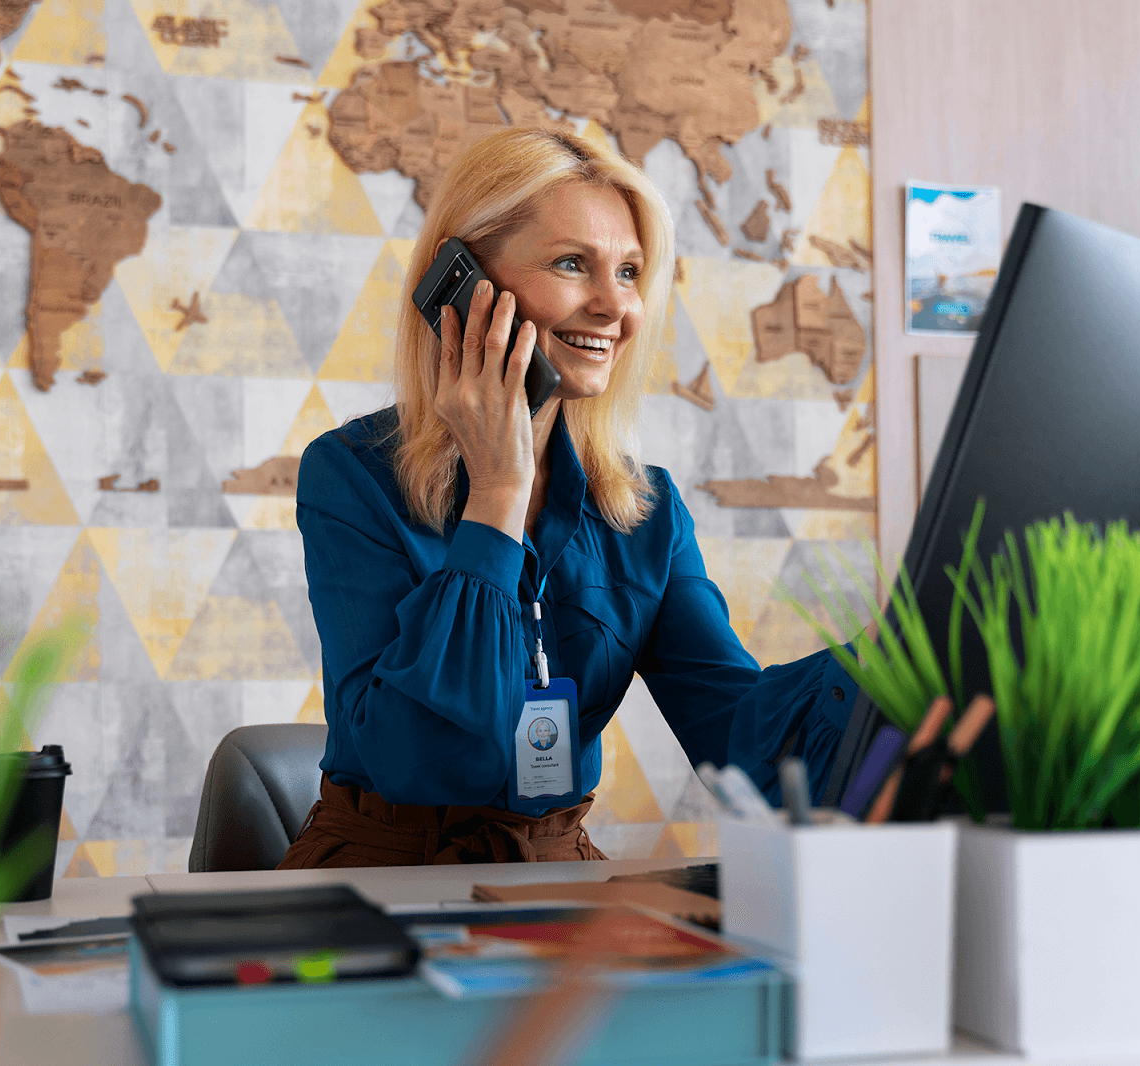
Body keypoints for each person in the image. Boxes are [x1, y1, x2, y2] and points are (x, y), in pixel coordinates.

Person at [279, 128, 859, 869]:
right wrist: (498, 491)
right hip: (381, 877)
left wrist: (906, 653)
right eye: (570, 264)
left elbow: (741, 742)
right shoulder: (352, 475)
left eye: (628, 271)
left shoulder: (644, 512)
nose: (614, 306)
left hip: (556, 873)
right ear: (463, 284)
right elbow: (423, 759)